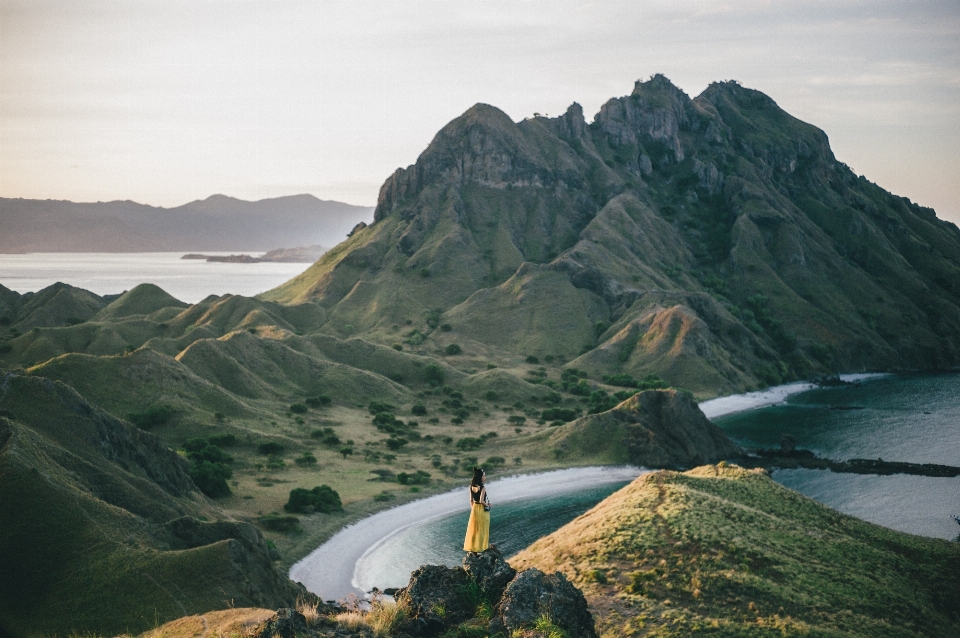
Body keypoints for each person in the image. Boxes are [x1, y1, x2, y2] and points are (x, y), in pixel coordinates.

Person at [463, 467, 490, 553]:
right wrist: (488, 505)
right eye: (484, 476)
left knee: (474, 529)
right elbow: (482, 501)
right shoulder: (482, 488)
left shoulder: (471, 487)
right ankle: (482, 547)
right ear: (480, 477)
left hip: (474, 508)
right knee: (482, 529)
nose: (485, 477)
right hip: (481, 509)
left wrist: (473, 510)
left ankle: (472, 547)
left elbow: (471, 500)